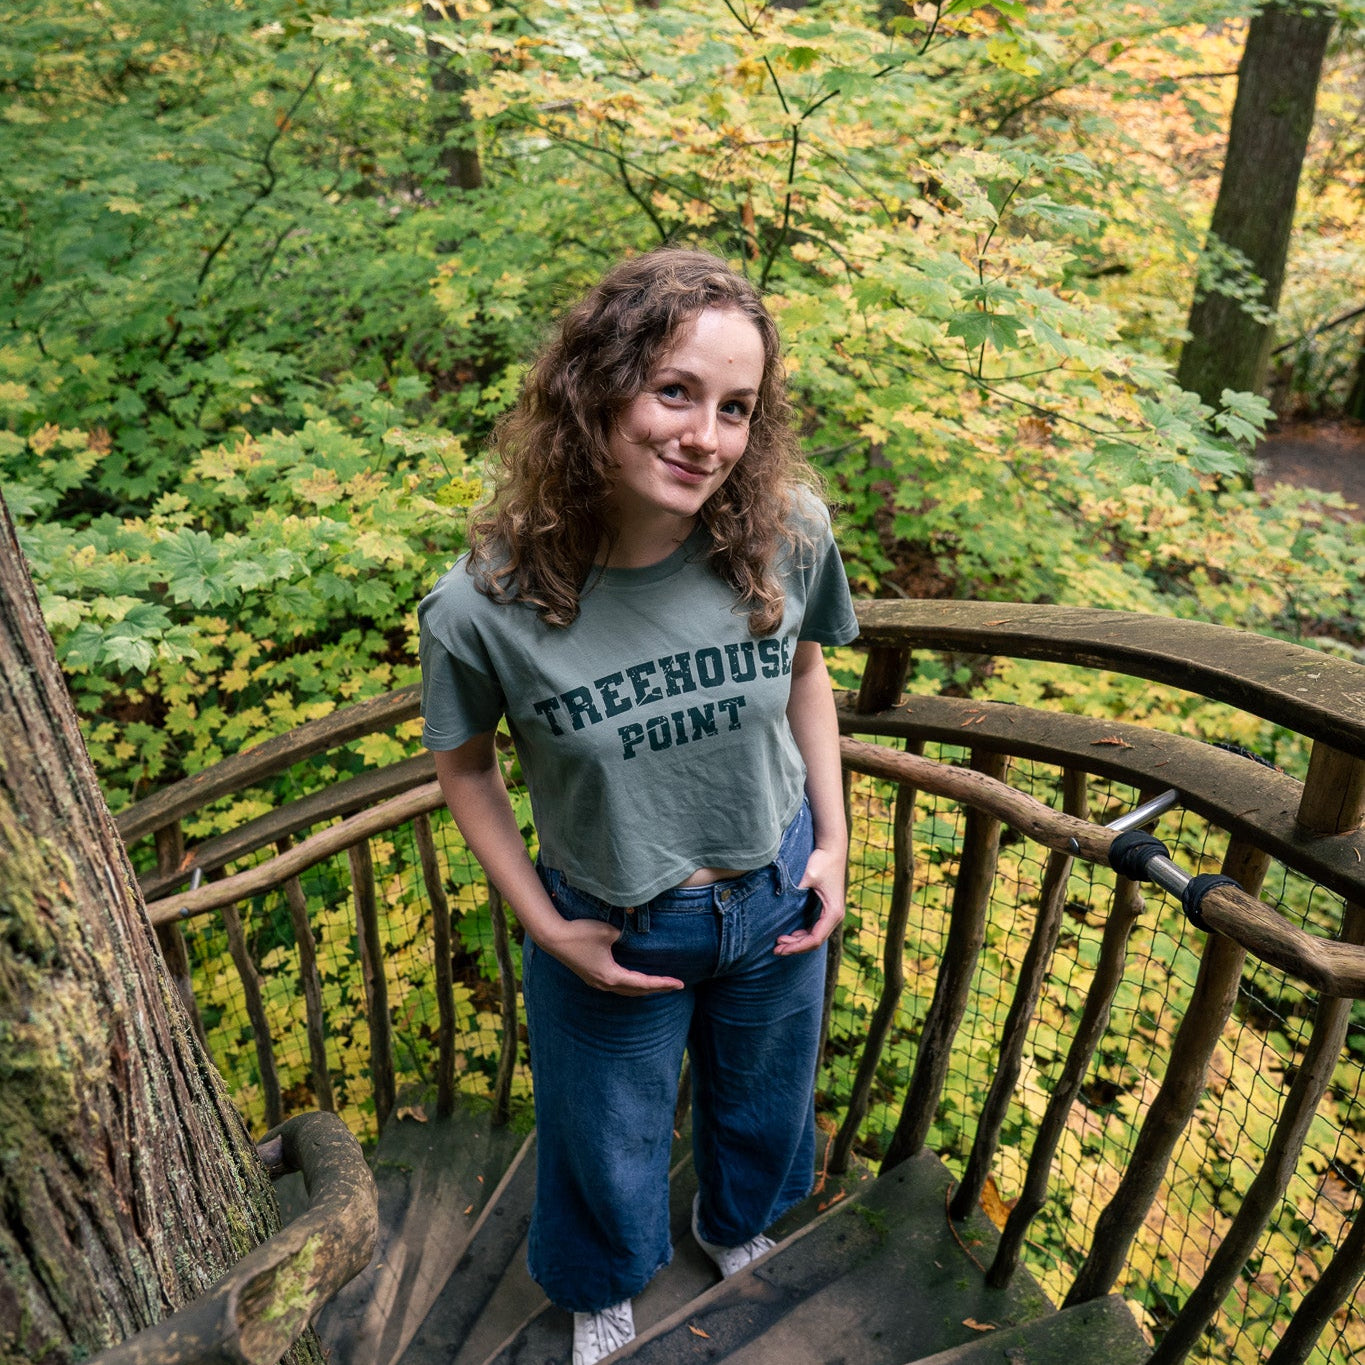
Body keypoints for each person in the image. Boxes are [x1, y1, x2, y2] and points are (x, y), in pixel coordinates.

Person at [418, 248, 858, 1365]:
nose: (706, 436)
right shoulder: (486, 603)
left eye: (736, 407)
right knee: (603, 1141)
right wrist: (540, 919)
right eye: (675, 392)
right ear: (595, 387)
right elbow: (465, 767)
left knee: (764, 1107)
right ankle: (605, 1284)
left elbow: (807, 672)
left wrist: (837, 843)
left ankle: (734, 1228)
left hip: (774, 895)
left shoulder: (786, 530)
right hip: (614, 918)